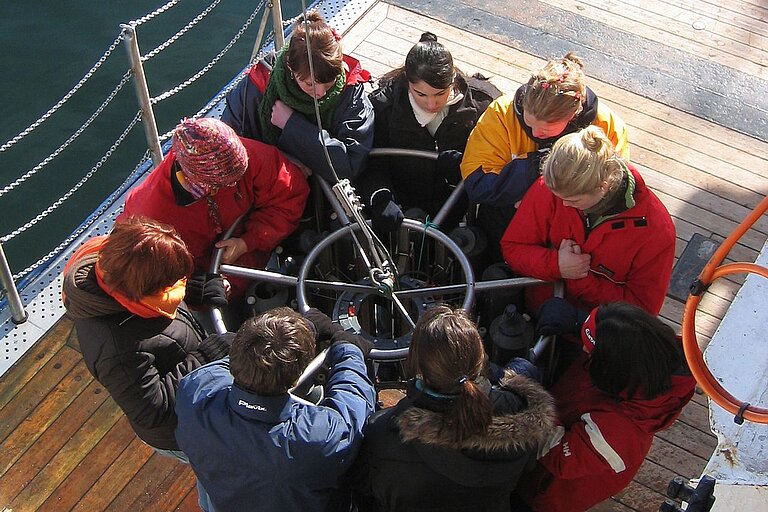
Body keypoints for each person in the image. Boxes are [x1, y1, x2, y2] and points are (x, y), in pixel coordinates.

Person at [352, 306, 557, 512]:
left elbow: (364, 490)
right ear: (481, 361)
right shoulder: (522, 415)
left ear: (419, 367)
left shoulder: (384, 435)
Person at [61, 217, 231, 460]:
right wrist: (205, 358)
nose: (175, 287)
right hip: (182, 433)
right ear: (145, 291)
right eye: (170, 285)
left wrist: (195, 290)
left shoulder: (112, 265)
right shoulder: (117, 351)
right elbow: (154, 410)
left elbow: (153, 285)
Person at [175, 307, 377, 512]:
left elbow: (219, 370)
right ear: (296, 377)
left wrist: (286, 337)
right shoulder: (315, 438)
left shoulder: (196, 396)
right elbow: (352, 406)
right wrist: (348, 349)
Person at [518, 302, 696, 511]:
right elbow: (615, 336)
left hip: (546, 491)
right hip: (566, 413)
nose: (584, 350)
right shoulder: (641, 357)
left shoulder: (620, 432)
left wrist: (528, 394)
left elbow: (557, 456)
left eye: (591, 350)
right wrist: (579, 322)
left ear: (612, 366)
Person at [121, 117, 309, 302]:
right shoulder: (149, 217)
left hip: (249, 255)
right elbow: (145, 274)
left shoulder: (237, 155)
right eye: (227, 183)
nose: (235, 184)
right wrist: (201, 287)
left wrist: (248, 242)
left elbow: (289, 193)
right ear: (204, 182)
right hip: (210, 280)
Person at [500, 125, 674, 318]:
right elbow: (513, 247)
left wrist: (578, 278)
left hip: (596, 336)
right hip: (536, 312)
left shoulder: (656, 232)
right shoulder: (556, 187)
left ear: (603, 186)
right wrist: (556, 264)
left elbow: (642, 312)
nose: (563, 204)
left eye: (573, 201)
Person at [461, 53, 629, 246]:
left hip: (574, 237)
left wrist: (532, 194)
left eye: (546, 128)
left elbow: (615, 189)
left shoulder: (607, 125)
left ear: (573, 115)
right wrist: (541, 164)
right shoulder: (502, 113)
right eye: (528, 121)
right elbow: (477, 184)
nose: (535, 132)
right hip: (508, 224)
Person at [356, 32, 500, 232]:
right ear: (408, 82)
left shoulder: (484, 105)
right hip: (399, 209)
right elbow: (369, 161)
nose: (431, 104)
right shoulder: (383, 108)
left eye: (441, 93)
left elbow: (500, 156)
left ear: (453, 81)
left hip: (457, 211)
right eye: (421, 94)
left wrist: (465, 165)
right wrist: (379, 195)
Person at [221, 11, 374, 183]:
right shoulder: (259, 84)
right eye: (310, 84)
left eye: (329, 82)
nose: (321, 93)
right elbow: (228, 143)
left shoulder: (352, 94)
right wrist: (284, 162)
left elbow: (351, 165)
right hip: (269, 184)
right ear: (290, 66)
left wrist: (292, 125)